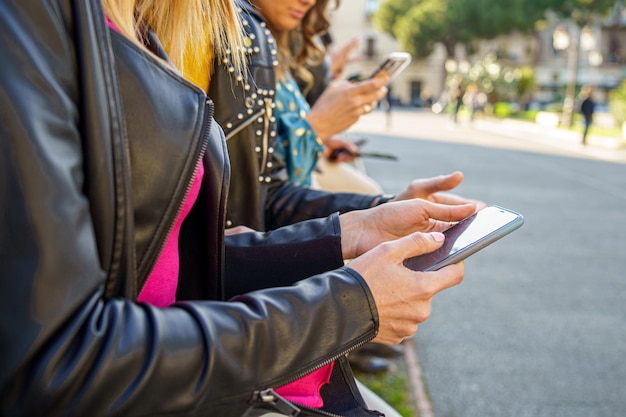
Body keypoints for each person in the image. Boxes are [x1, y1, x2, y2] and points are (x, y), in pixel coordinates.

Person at [1, 1, 478, 416]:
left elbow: (170, 259)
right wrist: (348, 306)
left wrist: (353, 228)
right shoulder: (45, 21)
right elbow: (55, 363)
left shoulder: (140, 28)